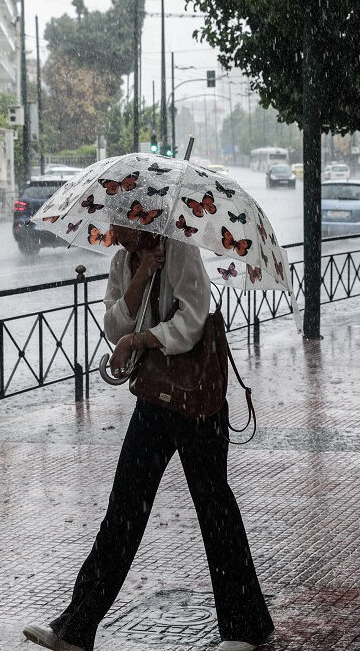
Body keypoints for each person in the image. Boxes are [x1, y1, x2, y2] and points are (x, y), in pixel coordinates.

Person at [22, 225, 274, 651]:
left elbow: (192, 320)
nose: (112, 231)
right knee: (123, 509)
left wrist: (141, 337)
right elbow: (113, 325)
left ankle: (244, 627)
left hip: (197, 401)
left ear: (143, 219)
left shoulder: (180, 251)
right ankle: (76, 627)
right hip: (155, 398)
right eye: (111, 222)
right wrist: (139, 279)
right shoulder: (123, 261)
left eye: (121, 223)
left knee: (215, 509)